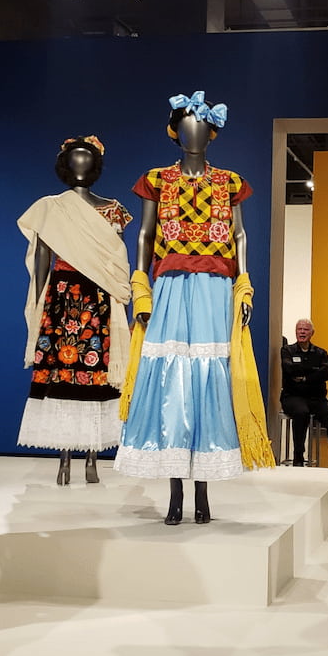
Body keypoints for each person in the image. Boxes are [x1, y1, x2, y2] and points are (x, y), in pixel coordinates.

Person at [116, 91, 273, 524]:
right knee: (172, 383)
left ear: (212, 132)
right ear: (175, 132)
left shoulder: (230, 183)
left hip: (215, 289)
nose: (194, 133)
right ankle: (175, 492)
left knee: (210, 380)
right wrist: (140, 287)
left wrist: (244, 287)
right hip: (170, 287)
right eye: (186, 126)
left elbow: (239, 236)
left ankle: (202, 491)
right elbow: (145, 235)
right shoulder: (157, 179)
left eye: (201, 125)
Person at [16, 136, 132, 485]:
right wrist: (39, 305)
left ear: (95, 166)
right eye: (74, 159)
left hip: (98, 299)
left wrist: (119, 293)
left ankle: (93, 456)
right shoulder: (50, 208)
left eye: (87, 159)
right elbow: (42, 259)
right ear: (65, 166)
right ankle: (65, 457)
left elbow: (117, 259)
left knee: (97, 373)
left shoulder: (113, 210)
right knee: (62, 374)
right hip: (62, 299)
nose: (81, 165)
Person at [280, 319, 328, 468]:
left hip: (317, 398)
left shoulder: (321, 353)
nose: (302, 332)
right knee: (301, 413)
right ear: (296, 332)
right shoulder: (287, 350)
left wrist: (304, 377)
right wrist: (315, 370)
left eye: (306, 330)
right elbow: (289, 370)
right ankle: (298, 459)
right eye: (300, 329)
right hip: (293, 396)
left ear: (312, 333)